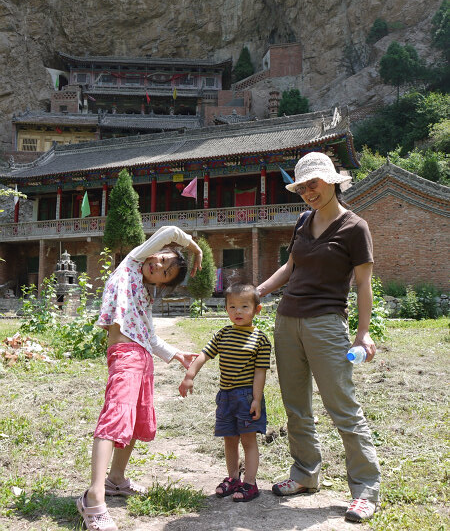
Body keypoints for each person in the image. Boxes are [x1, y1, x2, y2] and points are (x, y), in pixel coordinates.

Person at [257, 152, 381, 523]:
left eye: (314, 183)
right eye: (303, 186)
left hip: (327, 324)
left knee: (342, 407)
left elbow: (363, 284)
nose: (309, 191)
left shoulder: (355, 227)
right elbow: (291, 266)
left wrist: (362, 334)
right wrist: (258, 291)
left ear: (332, 181)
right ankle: (305, 474)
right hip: (287, 321)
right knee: (295, 406)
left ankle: (365, 489)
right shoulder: (302, 221)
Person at [77, 226, 203, 531]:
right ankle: (93, 496)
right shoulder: (131, 265)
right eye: (161, 258)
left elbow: (151, 338)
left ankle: (116, 480)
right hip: (124, 356)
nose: (158, 264)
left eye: (166, 271)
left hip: (143, 358)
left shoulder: (144, 296)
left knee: (134, 422)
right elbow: (169, 231)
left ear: (162, 283)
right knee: (115, 418)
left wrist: (177, 355)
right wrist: (194, 248)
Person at [179, 283, 271, 503]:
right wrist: (189, 375)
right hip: (226, 396)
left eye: (244, 307)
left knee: (248, 441)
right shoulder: (223, 334)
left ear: (257, 310)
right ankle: (233, 478)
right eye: (232, 307)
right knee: (229, 440)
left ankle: (250, 482)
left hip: (246, 396)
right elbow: (203, 355)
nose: (237, 312)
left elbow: (260, 373)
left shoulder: (260, 340)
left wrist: (257, 399)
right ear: (226, 308)